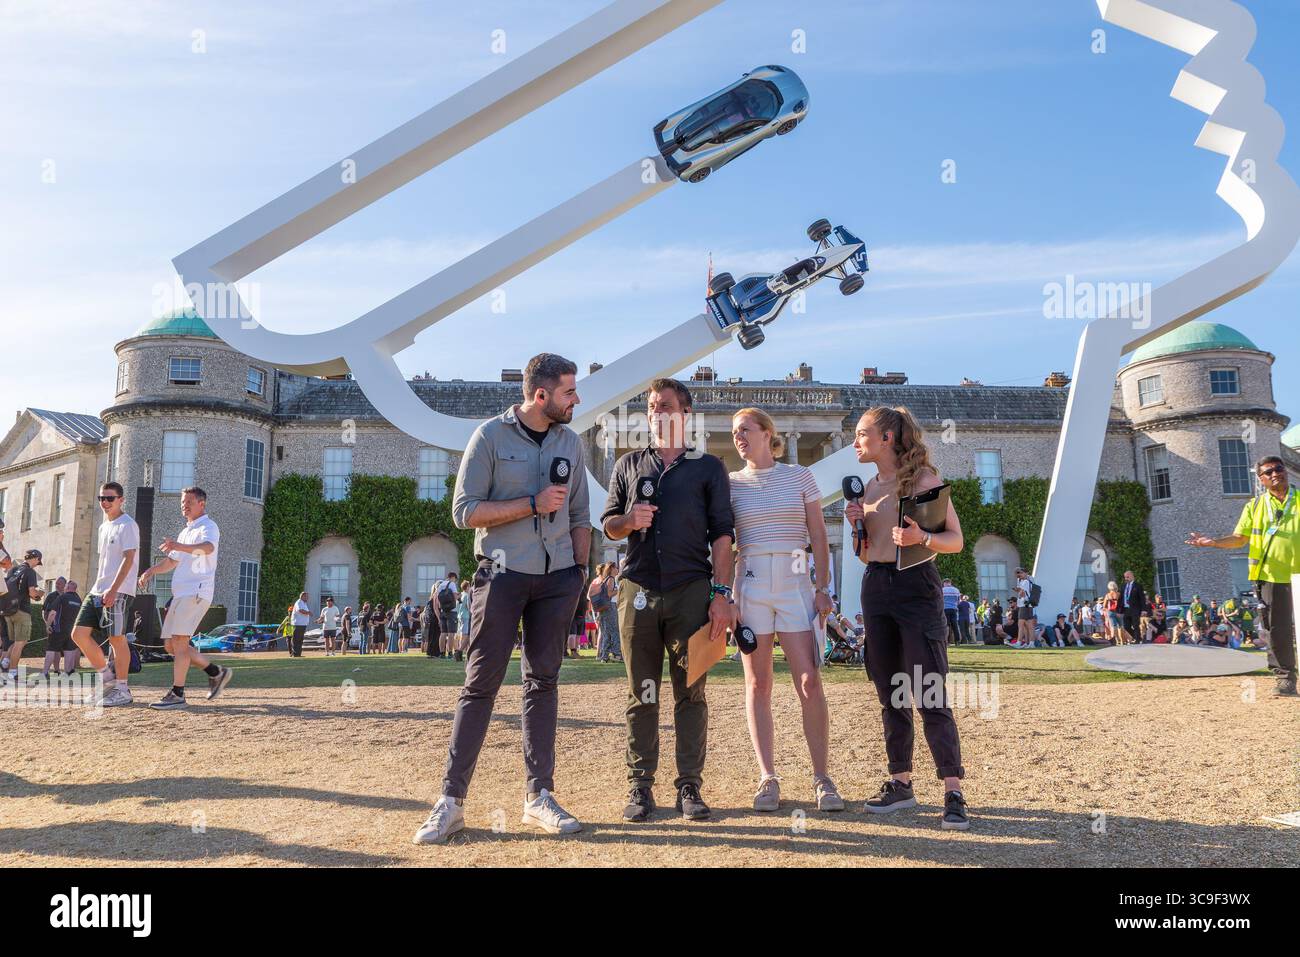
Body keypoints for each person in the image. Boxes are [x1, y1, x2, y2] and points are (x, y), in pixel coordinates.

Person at [414, 353, 590, 845]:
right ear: (541, 396)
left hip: (557, 579)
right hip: (500, 575)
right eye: (569, 392)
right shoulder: (489, 436)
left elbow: (579, 515)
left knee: (543, 683)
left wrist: (579, 574)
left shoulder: (571, 442)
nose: (576, 400)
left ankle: (539, 797)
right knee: (480, 685)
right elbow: (464, 511)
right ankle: (450, 802)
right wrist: (529, 505)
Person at [602, 378, 737, 823]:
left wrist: (721, 594)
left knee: (691, 692)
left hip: (691, 591)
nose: (658, 413)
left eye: (666, 406)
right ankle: (640, 787)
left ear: (685, 412)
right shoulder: (628, 465)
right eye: (653, 407)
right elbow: (608, 526)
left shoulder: (708, 468)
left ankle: (689, 786)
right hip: (637, 589)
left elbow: (722, 535)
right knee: (641, 694)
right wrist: (629, 519)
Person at [842, 405, 969, 830]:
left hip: (916, 585)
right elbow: (864, 553)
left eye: (861, 434)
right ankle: (901, 783)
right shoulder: (867, 489)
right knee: (891, 691)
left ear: (887, 438)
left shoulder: (924, 481)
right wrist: (858, 525)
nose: (855, 442)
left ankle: (952, 790)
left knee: (929, 691)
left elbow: (955, 540)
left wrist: (922, 537)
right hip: (876, 587)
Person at [727, 407, 843, 812]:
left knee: (810, 680)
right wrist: (724, 594)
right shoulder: (730, 484)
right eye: (734, 432)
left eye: (745, 429)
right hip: (752, 581)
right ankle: (767, 778)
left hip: (796, 580)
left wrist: (823, 588)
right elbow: (724, 544)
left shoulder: (799, 476)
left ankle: (823, 777)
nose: (738, 437)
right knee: (758, 685)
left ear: (767, 433)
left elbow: (818, 535)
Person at [1187, 454, 1298, 696]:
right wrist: (1213, 542)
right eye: (1268, 472)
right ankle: (1285, 679)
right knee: (1276, 630)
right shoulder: (1255, 506)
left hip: (1298, 574)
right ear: (1261, 479)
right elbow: (1239, 539)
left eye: (1278, 468)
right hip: (1269, 576)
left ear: (1286, 471)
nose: (1274, 474)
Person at [138, 487, 233, 710]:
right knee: (171, 645)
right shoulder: (185, 532)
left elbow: (208, 548)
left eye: (189, 501)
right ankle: (216, 672)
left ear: (202, 503)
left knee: (179, 642)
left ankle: (178, 693)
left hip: (197, 591)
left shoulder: (209, 527)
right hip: (182, 594)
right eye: (182, 501)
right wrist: (150, 571)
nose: (184, 505)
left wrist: (178, 546)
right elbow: (171, 562)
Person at [67, 483, 135, 705]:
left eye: (110, 498)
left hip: (119, 590)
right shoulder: (103, 526)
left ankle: (122, 690)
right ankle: (107, 680)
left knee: (117, 638)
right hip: (97, 589)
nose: (105, 502)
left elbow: (128, 559)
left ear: (121, 499)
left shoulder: (128, 525)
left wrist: (114, 590)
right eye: (101, 498)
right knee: (78, 634)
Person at [588, 563, 621, 663]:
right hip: (609, 607)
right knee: (614, 631)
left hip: (603, 608)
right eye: (616, 568)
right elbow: (609, 594)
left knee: (606, 632)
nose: (617, 569)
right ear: (611, 568)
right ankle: (617, 654)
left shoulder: (604, 579)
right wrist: (619, 590)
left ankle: (604, 656)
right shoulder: (610, 579)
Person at [435, 572, 459, 658]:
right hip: (451, 611)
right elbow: (455, 596)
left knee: (443, 633)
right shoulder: (451, 584)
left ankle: (441, 653)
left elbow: (437, 601)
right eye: (455, 579)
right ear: (453, 577)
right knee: (451, 633)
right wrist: (459, 597)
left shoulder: (440, 585)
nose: (455, 581)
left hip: (443, 611)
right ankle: (449, 653)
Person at [1012, 568, 1038, 648]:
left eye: (1021, 572)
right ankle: (1030, 643)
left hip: (1024, 605)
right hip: (1029, 605)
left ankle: (1019, 642)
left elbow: (1022, 593)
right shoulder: (1029, 581)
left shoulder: (1025, 582)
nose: (1019, 574)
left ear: (1026, 573)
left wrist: (1018, 591)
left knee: (1021, 624)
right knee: (1029, 626)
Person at [1118, 570, 1146, 645]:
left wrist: (1143, 610)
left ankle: (1137, 640)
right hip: (1126, 609)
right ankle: (1137, 637)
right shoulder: (1123, 586)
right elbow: (1120, 599)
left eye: (1127, 577)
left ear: (1132, 576)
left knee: (1135, 625)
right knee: (1126, 626)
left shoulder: (1138, 586)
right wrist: (1119, 611)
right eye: (1125, 577)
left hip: (1135, 609)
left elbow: (1142, 598)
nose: (1126, 579)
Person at [290, 592, 311, 658]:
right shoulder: (299, 602)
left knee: (300, 640)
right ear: (302, 596)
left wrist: (307, 613)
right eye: (306, 596)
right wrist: (308, 612)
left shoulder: (304, 603)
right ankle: (295, 654)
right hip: (298, 624)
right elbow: (300, 610)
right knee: (296, 639)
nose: (307, 598)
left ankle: (298, 654)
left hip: (302, 624)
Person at [941, 579, 960, 645]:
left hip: (945, 609)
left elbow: (940, 600)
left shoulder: (942, 590)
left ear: (945, 583)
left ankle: (946, 641)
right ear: (950, 583)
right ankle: (957, 641)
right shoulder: (956, 590)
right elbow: (958, 601)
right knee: (955, 625)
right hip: (954, 609)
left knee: (946, 626)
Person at [454, 583, 470, 661]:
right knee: (466, 635)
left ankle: (460, 652)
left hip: (460, 616)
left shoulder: (460, 595)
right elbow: (468, 606)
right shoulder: (467, 595)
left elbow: (457, 606)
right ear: (467, 587)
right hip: (466, 616)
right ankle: (460, 652)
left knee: (461, 635)